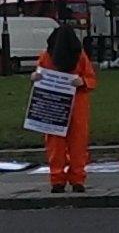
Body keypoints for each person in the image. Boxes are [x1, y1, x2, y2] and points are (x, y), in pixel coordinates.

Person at [31, 26, 96, 193]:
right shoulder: (78, 55)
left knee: (71, 144)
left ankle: (67, 179)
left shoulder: (48, 55)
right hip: (67, 104)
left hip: (60, 105)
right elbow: (91, 78)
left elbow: (90, 78)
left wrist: (83, 81)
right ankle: (66, 179)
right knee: (62, 144)